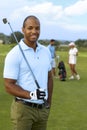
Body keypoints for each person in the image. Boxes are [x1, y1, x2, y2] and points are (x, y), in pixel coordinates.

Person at [3, 15, 53, 130]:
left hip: (42, 108)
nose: (34, 31)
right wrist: (31, 94)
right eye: (30, 28)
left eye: (37, 28)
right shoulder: (14, 54)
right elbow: (8, 85)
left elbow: (49, 77)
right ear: (23, 29)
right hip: (23, 109)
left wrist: (48, 102)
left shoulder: (45, 51)